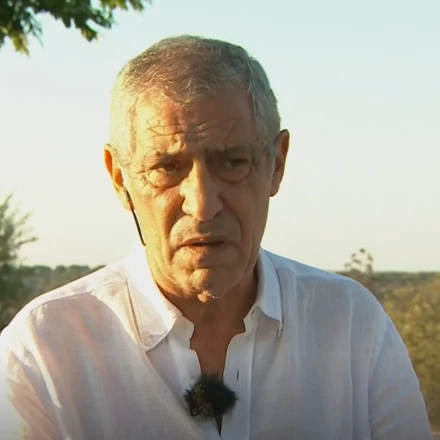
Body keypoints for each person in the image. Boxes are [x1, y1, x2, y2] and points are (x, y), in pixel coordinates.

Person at [0, 36, 432, 440]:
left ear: (277, 164)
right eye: (167, 168)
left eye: (232, 163)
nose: (203, 204)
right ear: (119, 178)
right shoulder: (44, 352)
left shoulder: (352, 328)